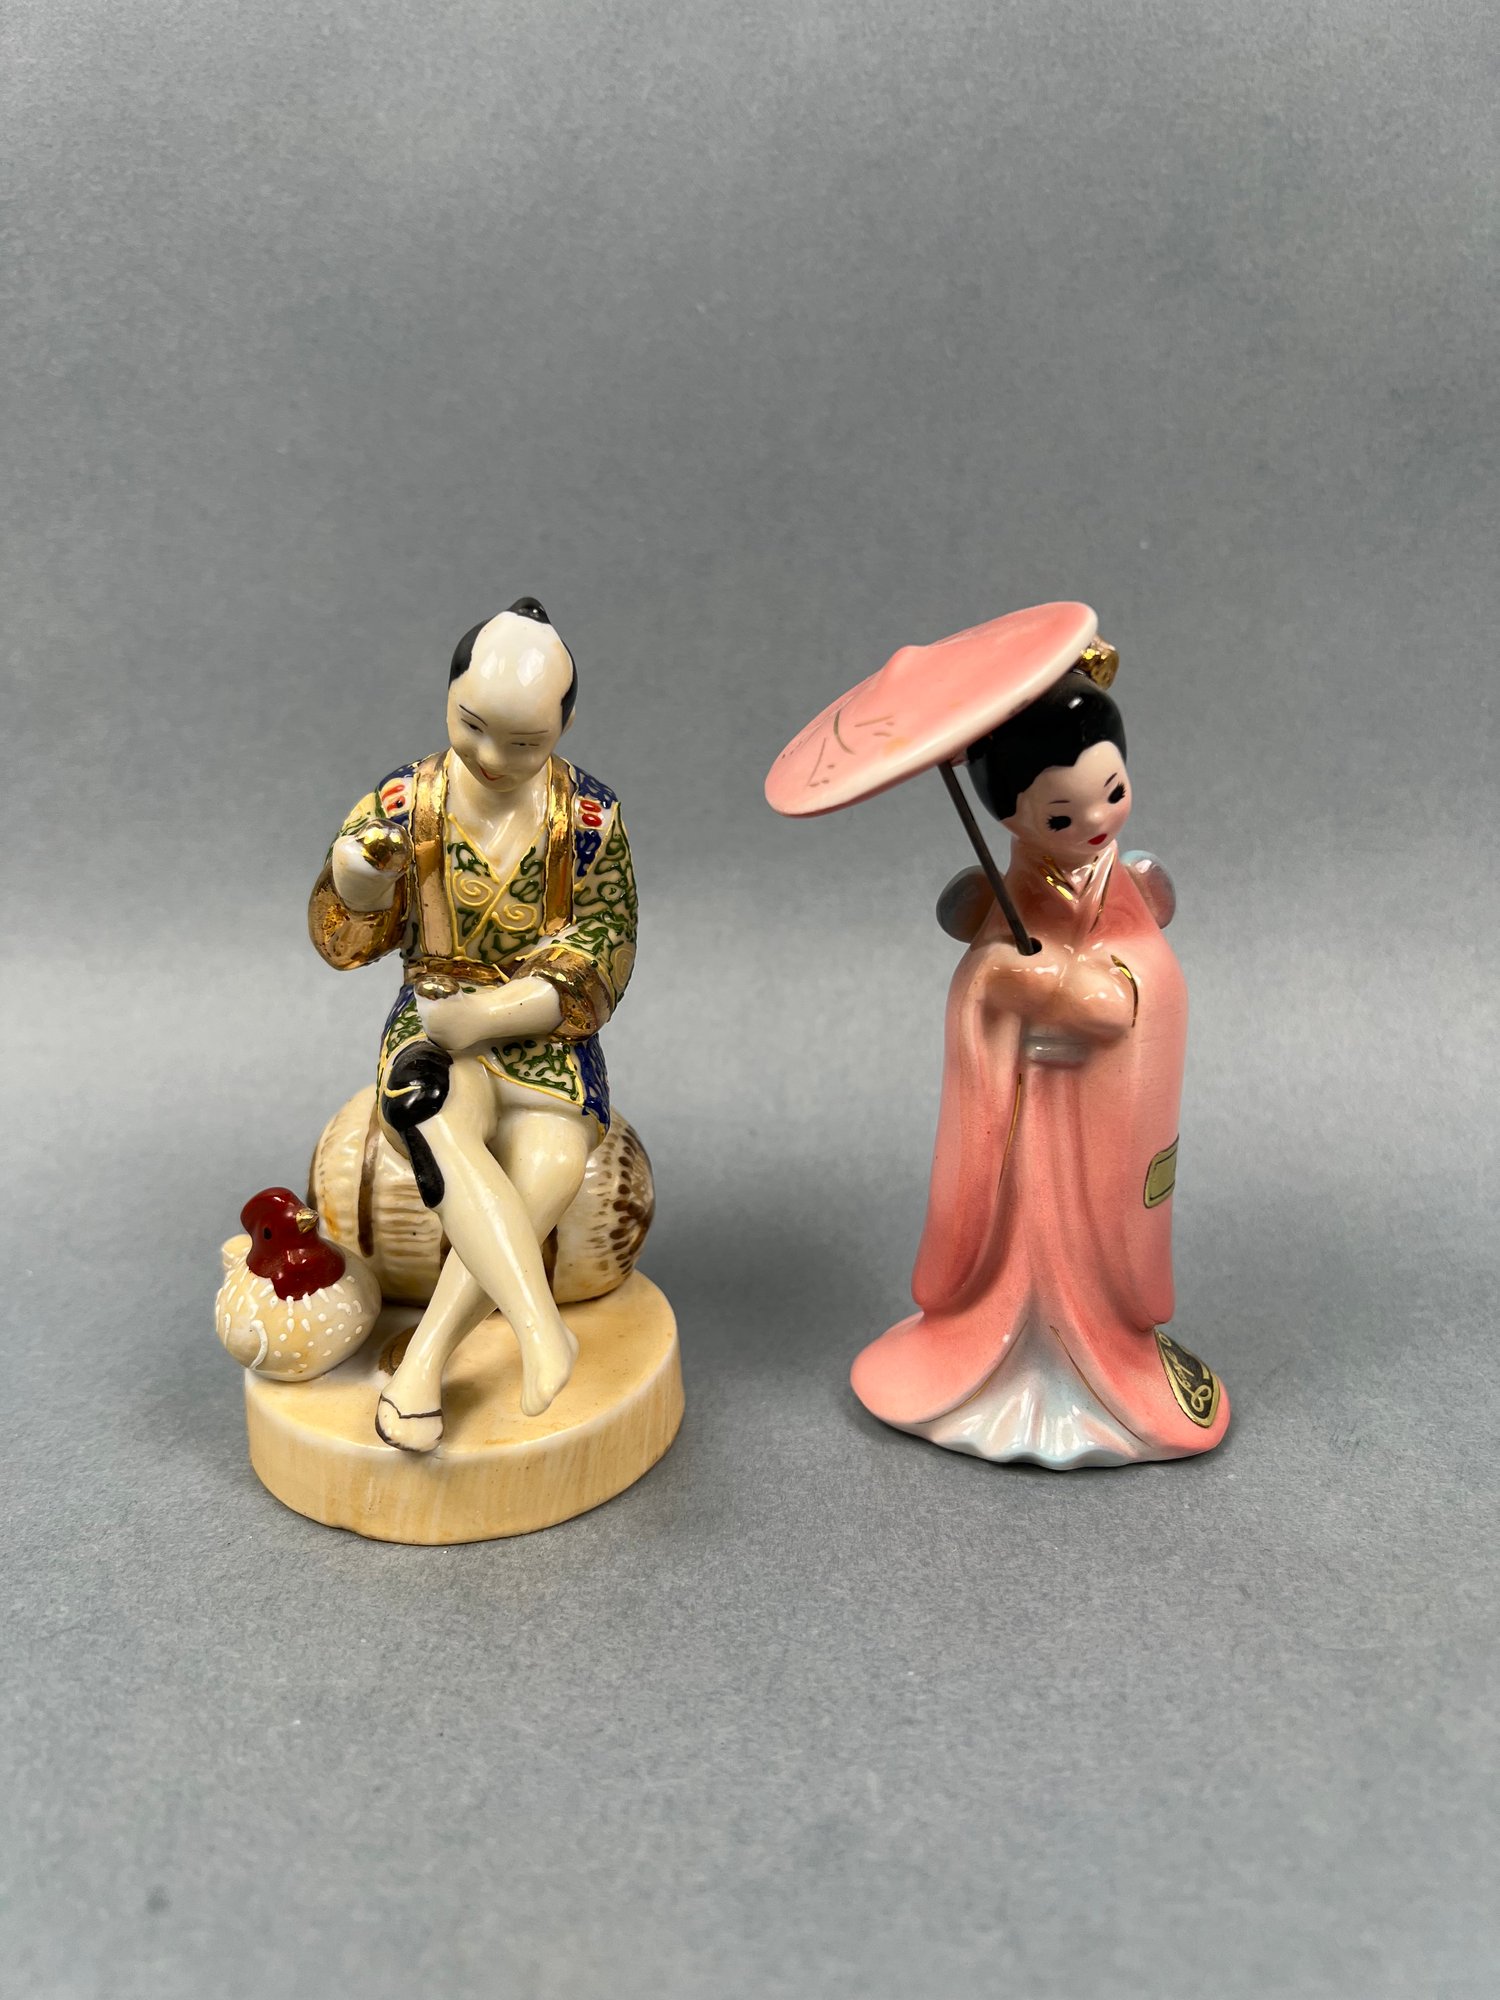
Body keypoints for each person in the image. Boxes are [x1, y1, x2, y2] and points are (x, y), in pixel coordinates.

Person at [849, 665, 1230, 1467]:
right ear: (1009, 816)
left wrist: (1105, 994)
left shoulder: (1125, 885)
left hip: (1102, 1112)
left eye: (1113, 792)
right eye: (1060, 814)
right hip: (1022, 1105)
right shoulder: (1008, 895)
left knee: (1095, 1238)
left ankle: (1104, 1360)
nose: (1093, 821)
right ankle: (995, 1357)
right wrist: (1007, 982)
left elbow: (1152, 978)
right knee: (1020, 1225)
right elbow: (982, 982)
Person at [308, 597, 637, 1450]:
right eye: (473, 727)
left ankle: (423, 1364)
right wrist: (359, 878)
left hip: (543, 1028)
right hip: (433, 1017)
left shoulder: (589, 820)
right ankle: (539, 1325)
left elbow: (606, 945)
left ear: (563, 727)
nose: (493, 758)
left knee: (552, 1162)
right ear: (450, 697)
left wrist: (495, 1013)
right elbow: (347, 940)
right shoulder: (402, 800)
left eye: (525, 743)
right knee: (439, 1122)